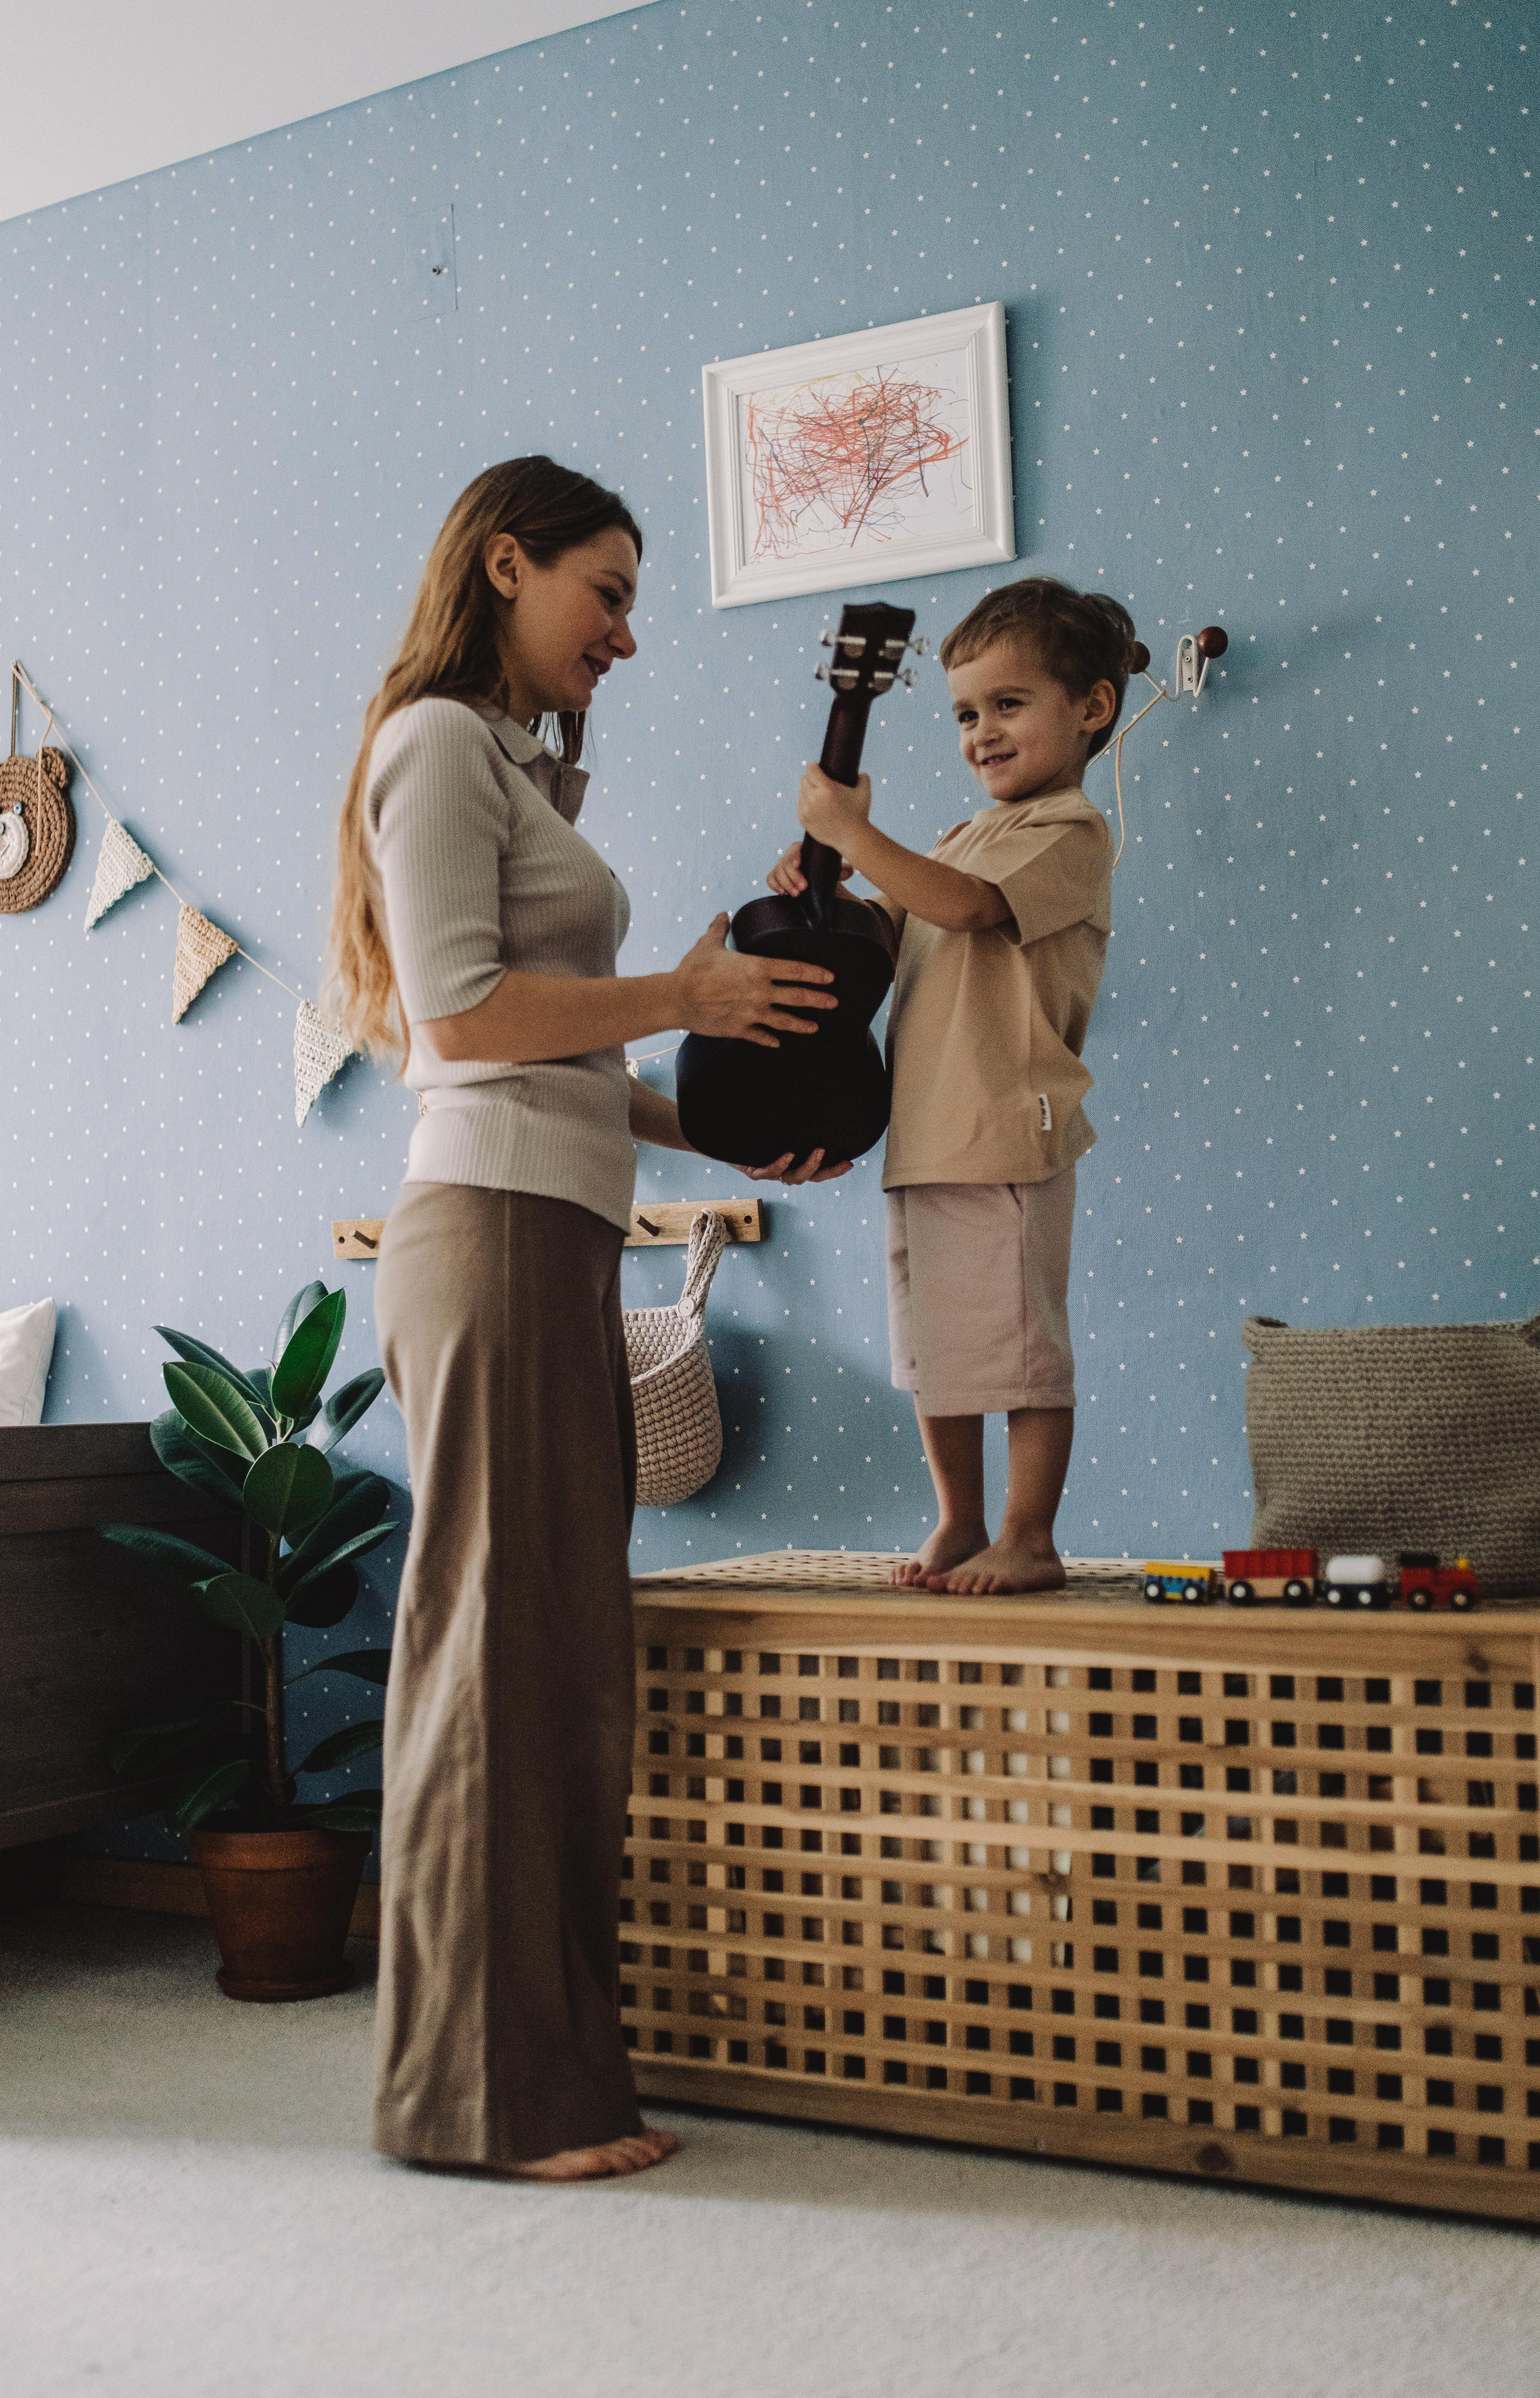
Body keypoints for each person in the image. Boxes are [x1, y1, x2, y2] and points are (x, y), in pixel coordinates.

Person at [327, 455, 844, 2184]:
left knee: (551, 1657)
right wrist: (683, 989)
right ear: (505, 562)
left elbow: (573, 1064)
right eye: (603, 591)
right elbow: (464, 1020)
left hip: (552, 1230)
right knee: (496, 1648)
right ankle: (483, 2100)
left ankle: (539, 2076)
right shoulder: (433, 748)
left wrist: (734, 1120)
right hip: (479, 1230)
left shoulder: (522, 771)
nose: (626, 629)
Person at [766, 577, 1133, 1596]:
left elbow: (969, 911)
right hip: (924, 1134)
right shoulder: (961, 838)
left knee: (1018, 1351)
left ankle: (1030, 1534)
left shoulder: (1068, 834)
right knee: (936, 1350)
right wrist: (826, 883)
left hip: (1004, 1129)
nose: (981, 733)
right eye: (967, 713)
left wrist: (857, 840)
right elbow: (895, 923)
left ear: (1091, 708)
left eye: (1008, 705)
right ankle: (962, 1520)